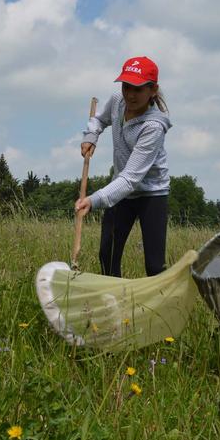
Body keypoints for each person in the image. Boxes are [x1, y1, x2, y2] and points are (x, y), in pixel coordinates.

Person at [74, 56, 172, 277]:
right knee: (107, 255)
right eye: (127, 86)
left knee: (155, 266)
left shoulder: (153, 126)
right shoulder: (118, 100)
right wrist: (91, 135)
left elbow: (130, 179)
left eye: (138, 89)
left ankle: (157, 306)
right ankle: (115, 303)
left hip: (151, 194)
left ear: (153, 90)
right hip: (121, 194)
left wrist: (94, 200)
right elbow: (99, 120)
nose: (130, 94)